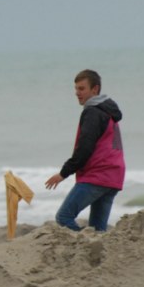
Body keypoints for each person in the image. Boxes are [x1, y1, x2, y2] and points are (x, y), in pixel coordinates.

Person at [45, 69, 125, 231]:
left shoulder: (93, 112)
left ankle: (84, 244)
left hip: (97, 175)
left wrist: (63, 173)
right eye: (76, 89)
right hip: (114, 176)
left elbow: (84, 148)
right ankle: (95, 252)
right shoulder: (108, 112)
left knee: (63, 217)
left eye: (81, 89)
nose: (77, 93)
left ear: (95, 89)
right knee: (98, 230)